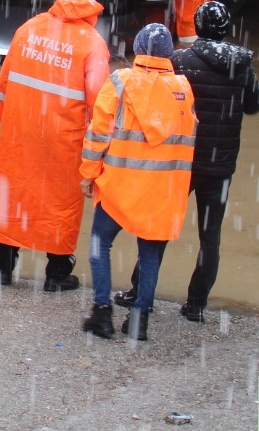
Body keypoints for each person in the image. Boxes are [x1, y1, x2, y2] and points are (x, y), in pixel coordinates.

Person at [115, 0, 259, 322]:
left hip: (180, 160)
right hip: (221, 164)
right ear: (226, 29)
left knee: (158, 226)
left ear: (196, 27)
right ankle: (196, 304)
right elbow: (256, 104)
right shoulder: (241, 64)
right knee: (210, 237)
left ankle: (140, 293)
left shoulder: (180, 60)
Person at [0, 0, 111, 293]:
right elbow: (100, 102)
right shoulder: (92, 44)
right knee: (60, 203)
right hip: (63, 140)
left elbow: (3, 83)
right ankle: (56, 273)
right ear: (91, 7)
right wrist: (101, 146)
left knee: (13, 195)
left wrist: (4, 120)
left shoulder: (28, 29)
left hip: (20, 132)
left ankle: (2, 268)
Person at [79, 23, 196, 341]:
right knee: (149, 254)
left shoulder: (121, 81)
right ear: (169, 54)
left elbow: (98, 133)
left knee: (100, 243)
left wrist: (88, 174)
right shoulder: (183, 89)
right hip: (161, 192)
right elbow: (187, 143)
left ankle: (102, 313)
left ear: (139, 50)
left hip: (119, 188)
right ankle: (139, 320)